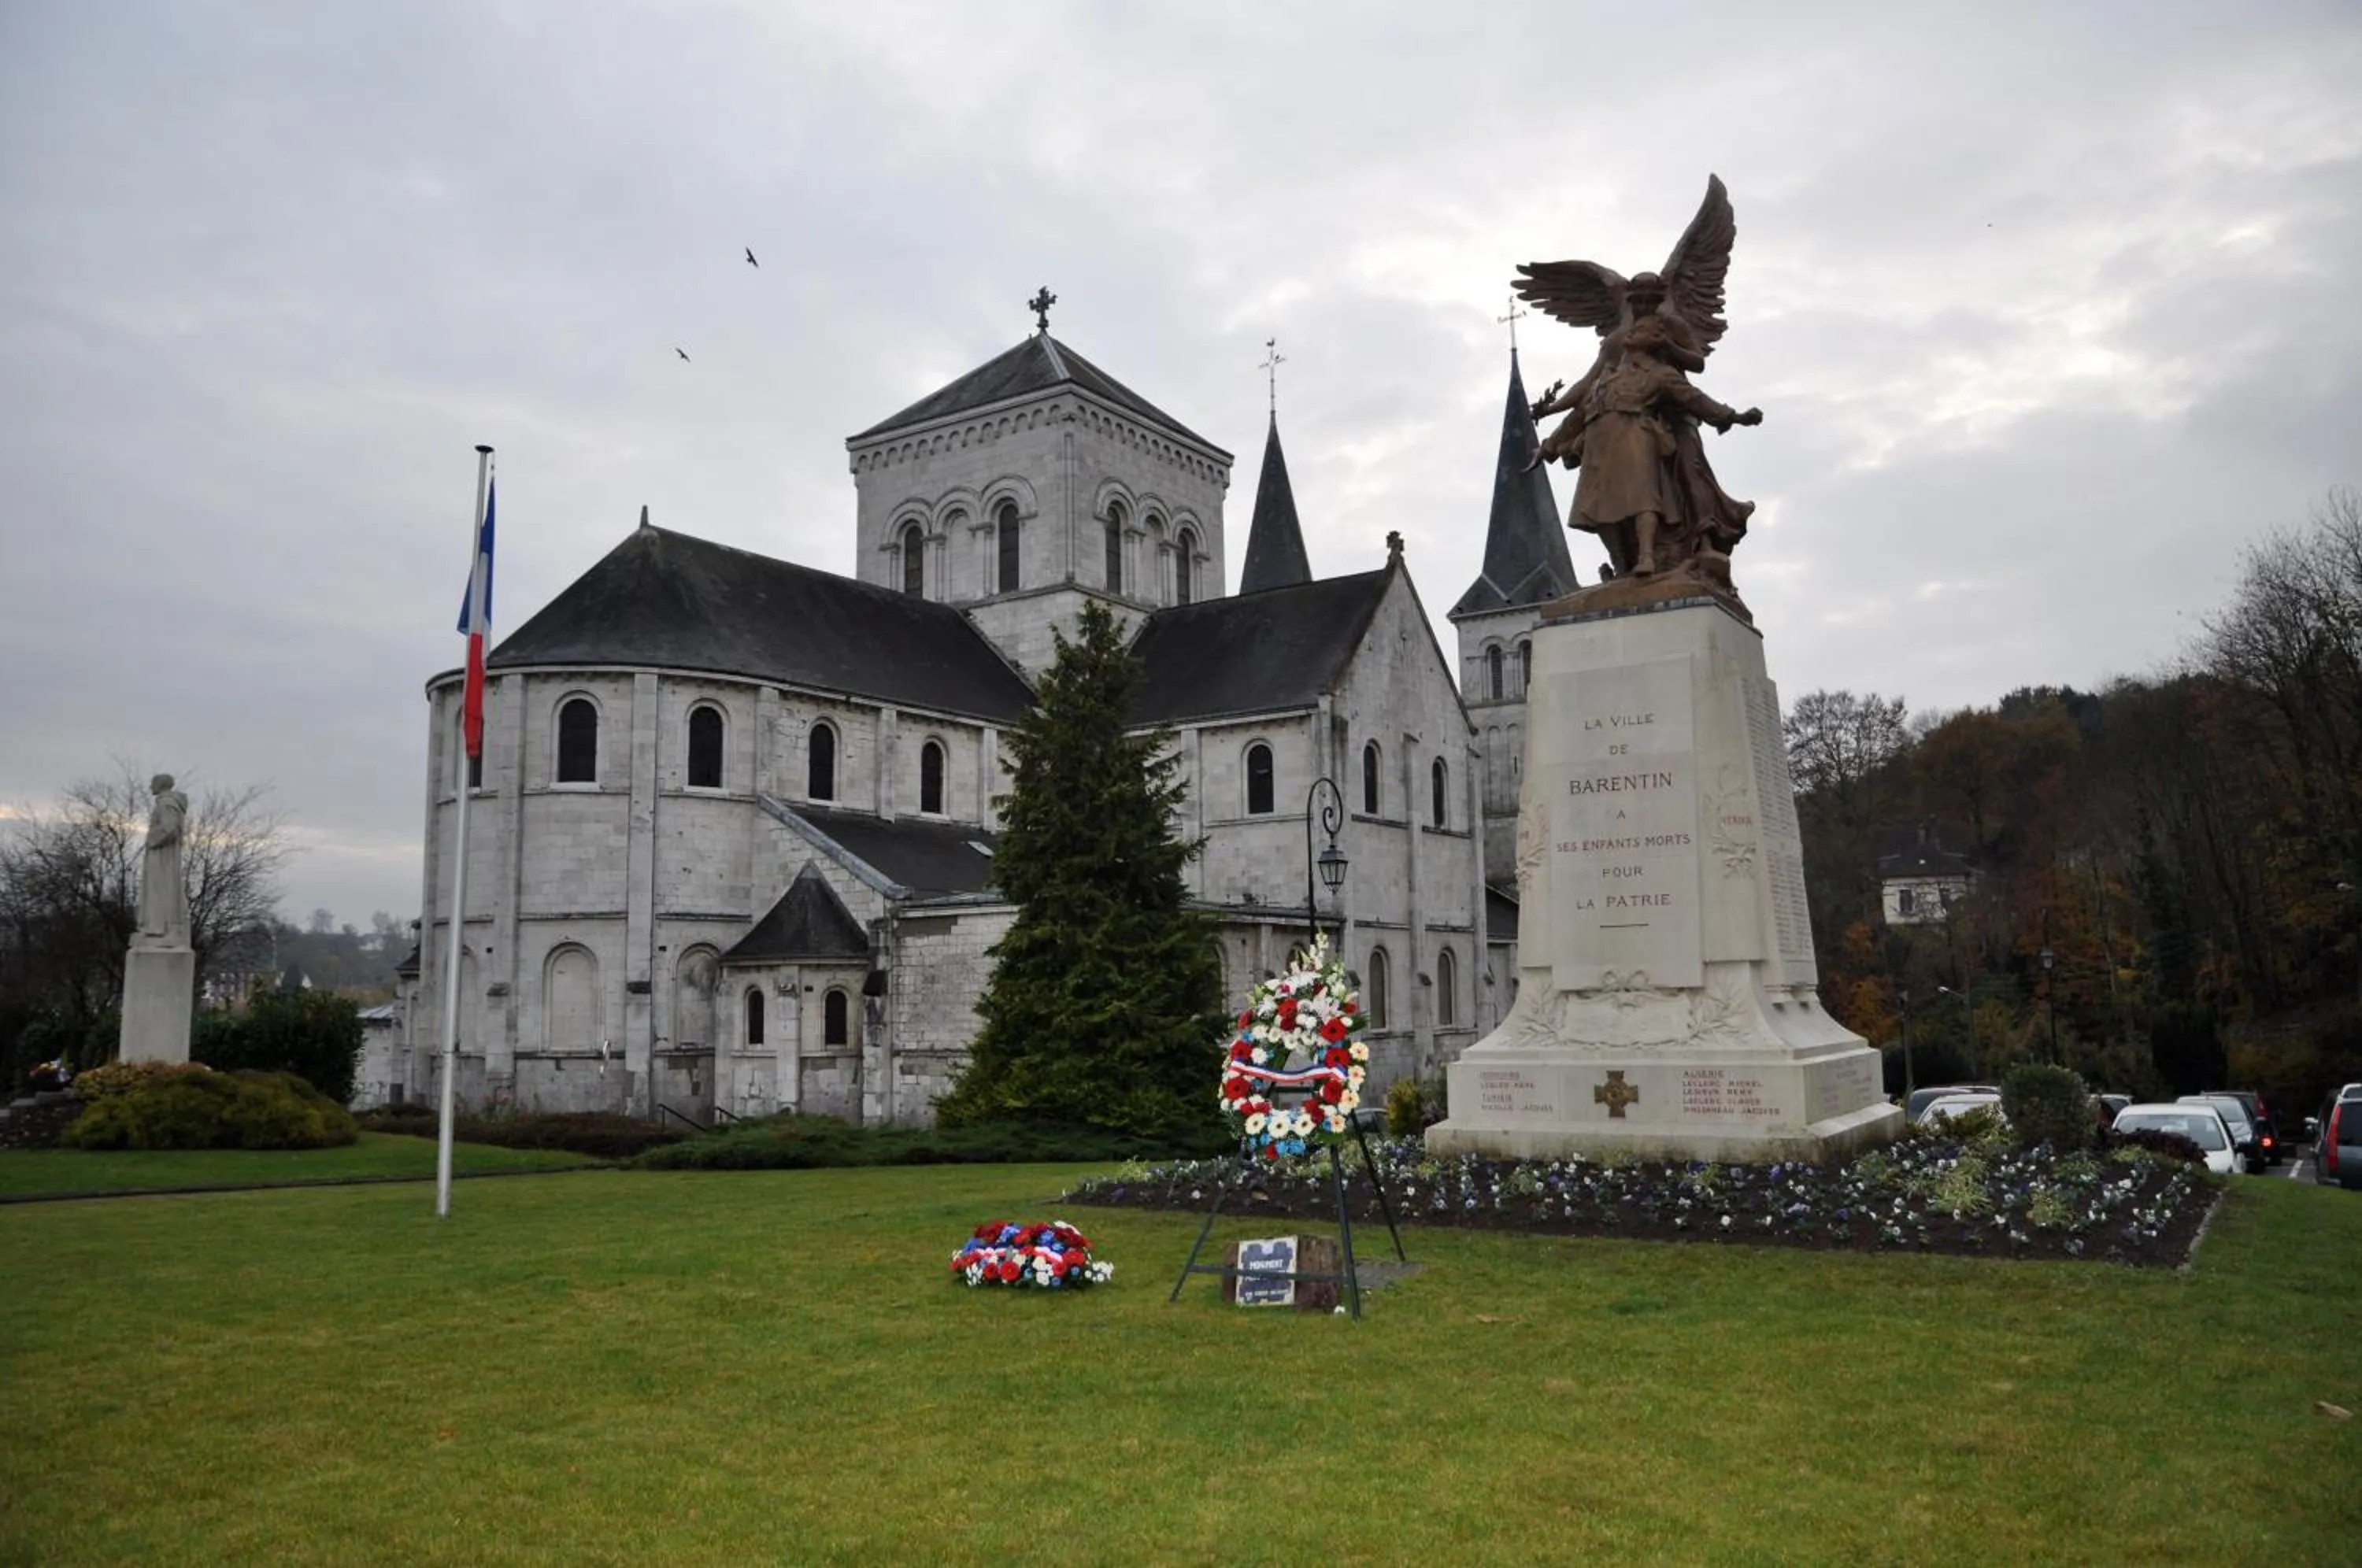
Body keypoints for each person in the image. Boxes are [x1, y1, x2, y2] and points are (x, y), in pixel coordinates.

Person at [1538, 313, 1760, 578]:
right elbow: (1577, 417)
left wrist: (1733, 416)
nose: (1632, 331)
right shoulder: (1605, 378)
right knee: (1595, 507)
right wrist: (1549, 446)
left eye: (1642, 329)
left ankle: (1646, 557)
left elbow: (1695, 399)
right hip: (1599, 446)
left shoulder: (1661, 373)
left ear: (1655, 340)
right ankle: (1621, 563)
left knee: (1643, 499)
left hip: (1636, 435)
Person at [135, 773, 191, 945]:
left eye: (152, 783)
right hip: (162, 854)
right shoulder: (166, 803)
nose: (150, 787)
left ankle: (161, 929)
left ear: (160, 784)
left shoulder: (167, 803)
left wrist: (152, 839)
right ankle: (155, 928)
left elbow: (169, 827)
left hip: (163, 856)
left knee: (161, 889)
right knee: (158, 889)